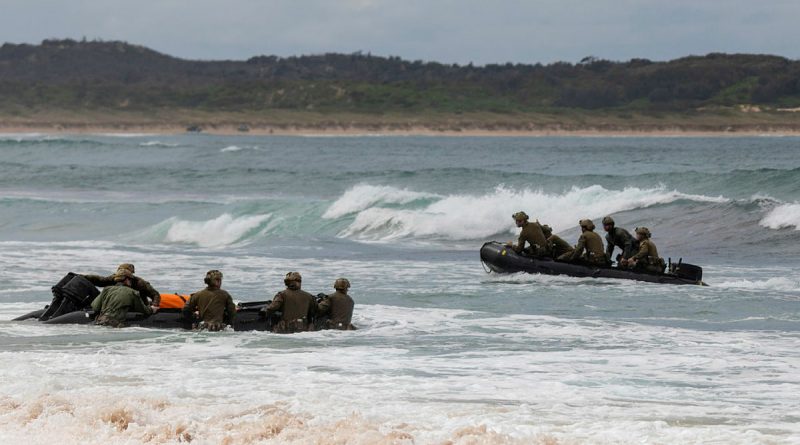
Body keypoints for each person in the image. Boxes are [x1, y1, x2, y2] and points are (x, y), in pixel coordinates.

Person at [82, 263, 161, 310]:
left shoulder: (140, 283)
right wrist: (83, 277)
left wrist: (154, 306)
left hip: (139, 306)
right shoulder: (115, 278)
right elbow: (100, 281)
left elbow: (155, 294)